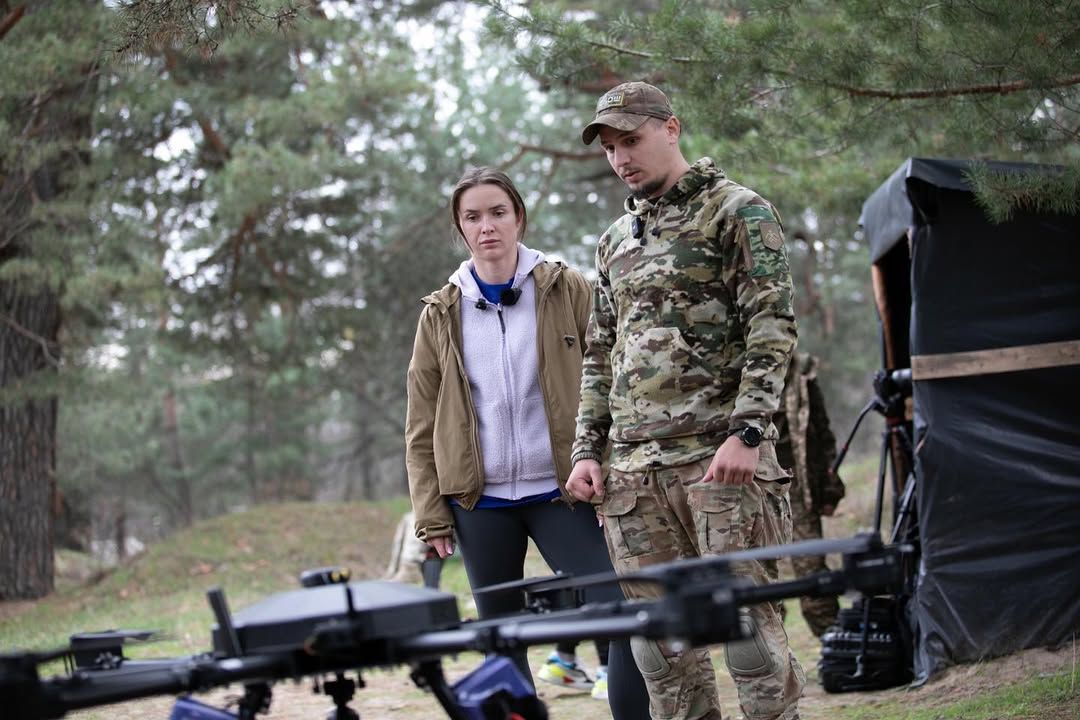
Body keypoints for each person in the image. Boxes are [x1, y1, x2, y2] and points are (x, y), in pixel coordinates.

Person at [566, 81, 806, 720]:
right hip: (633, 476)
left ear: (670, 128)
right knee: (661, 652)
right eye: (610, 147)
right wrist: (587, 451)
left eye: (632, 140)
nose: (621, 157)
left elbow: (771, 325)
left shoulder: (737, 211)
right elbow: (600, 352)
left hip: (720, 465)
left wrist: (748, 433)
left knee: (751, 639)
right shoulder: (614, 239)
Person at [404, 167, 649, 718]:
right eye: (473, 217)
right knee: (501, 637)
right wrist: (430, 513)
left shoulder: (567, 288)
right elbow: (420, 423)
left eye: (497, 212)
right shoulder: (439, 313)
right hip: (479, 501)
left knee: (620, 613)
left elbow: (613, 381)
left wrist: (610, 471)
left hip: (564, 490)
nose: (486, 226)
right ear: (461, 229)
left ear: (518, 217)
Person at [776, 352, 846, 638]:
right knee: (754, 576)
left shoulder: (800, 372)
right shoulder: (728, 371)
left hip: (797, 486)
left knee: (811, 567)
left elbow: (823, 431)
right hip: (749, 486)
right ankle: (768, 655)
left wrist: (830, 486)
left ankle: (833, 641)